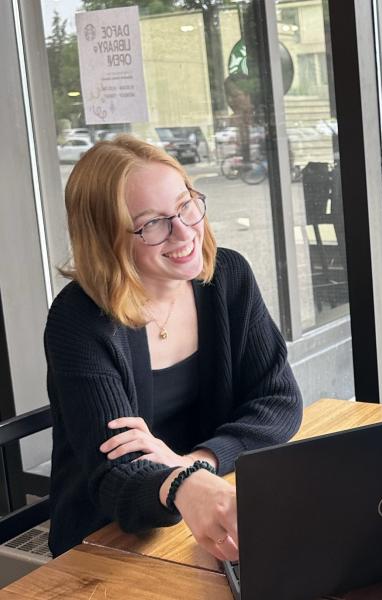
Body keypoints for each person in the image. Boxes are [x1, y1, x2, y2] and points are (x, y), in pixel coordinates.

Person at [44, 135, 303, 561]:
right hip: (107, 540)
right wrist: (184, 484)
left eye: (185, 206)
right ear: (107, 239)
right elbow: (116, 474)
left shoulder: (228, 276)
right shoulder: (79, 319)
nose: (184, 231)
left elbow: (279, 401)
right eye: (152, 224)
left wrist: (197, 463)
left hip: (208, 505)